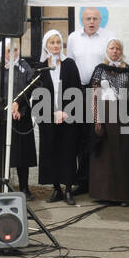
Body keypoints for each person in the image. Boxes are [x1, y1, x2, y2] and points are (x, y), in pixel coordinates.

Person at [88, 38, 129, 205]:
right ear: (107, 50)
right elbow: (94, 95)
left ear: (122, 51)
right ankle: (105, 194)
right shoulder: (100, 70)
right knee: (105, 157)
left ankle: (124, 195)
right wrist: (96, 120)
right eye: (112, 48)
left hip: (124, 117)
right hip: (106, 116)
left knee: (124, 155)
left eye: (118, 48)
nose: (115, 51)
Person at [32, 29, 82, 206]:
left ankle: (68, 189)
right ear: (46, 45)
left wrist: (66, 112)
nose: (55, 46)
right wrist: (52, 113)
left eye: (58, 42)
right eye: (52, 43)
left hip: (68, 116)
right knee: (50, 151)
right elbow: (37, 94)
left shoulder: (69, 64)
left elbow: (76, 90)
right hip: (48, 117)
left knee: (67, 152)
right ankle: (56, 189)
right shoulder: (40, 67)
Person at [66, 8, 113, 194]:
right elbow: (69, 64)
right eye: (88, 18)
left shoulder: (108, 37)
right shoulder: (73, 38)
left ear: (100, 20)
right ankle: (82, 180)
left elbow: (112, 63)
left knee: (97, 134)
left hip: (100, 91)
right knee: (79, 135)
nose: (91, 22)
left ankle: (97, 180)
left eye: (95, 18)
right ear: (82, 20)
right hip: (78, 90)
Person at [0, 39, 39, 196]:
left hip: (20, 114)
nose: (13, 54)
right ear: (2, 52)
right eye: (9, 51)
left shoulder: (24, 66)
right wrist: (7, 108)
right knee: (2, 152)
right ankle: (3, 186)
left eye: (15, 50)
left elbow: (30, 87)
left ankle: (24, 188)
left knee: (22, 153)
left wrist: (18, 104)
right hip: (1, 114)